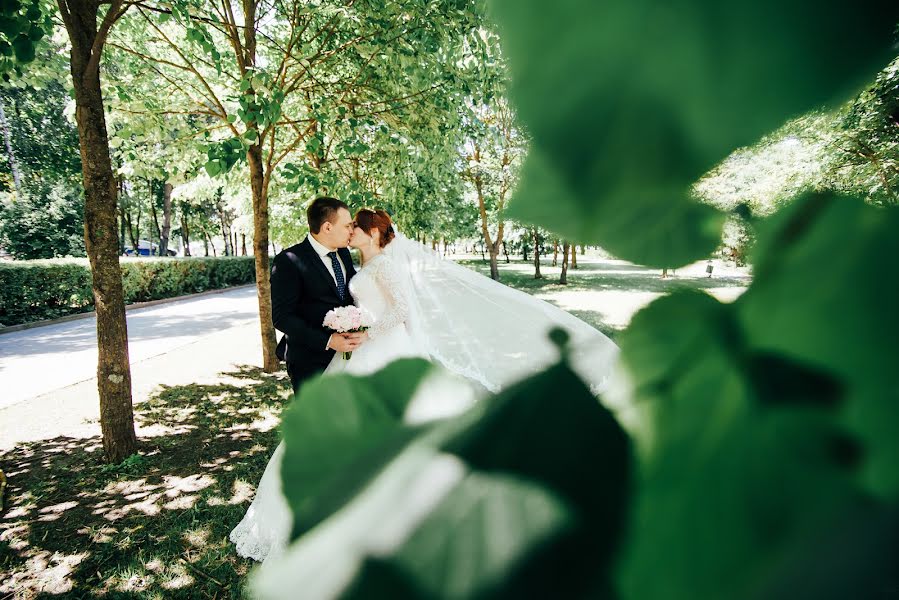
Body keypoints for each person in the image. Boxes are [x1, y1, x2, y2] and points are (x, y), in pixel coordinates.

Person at [230, 205, 619, 563]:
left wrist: (366, 331)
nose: (350, 232)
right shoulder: (315, 260)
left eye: (355, 227)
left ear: (371, 233)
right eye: (346, 226)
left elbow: (398, 310)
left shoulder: (378, 265)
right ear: (327, 226)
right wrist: (346, 329)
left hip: (376, 349)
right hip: (335, 356)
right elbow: (290, 313)